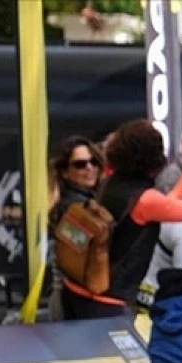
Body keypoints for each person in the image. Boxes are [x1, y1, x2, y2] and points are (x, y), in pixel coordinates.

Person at [61, 118, 182, 319]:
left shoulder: (111, 183)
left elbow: (167, 203)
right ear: (154, 158)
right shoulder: (144, 199)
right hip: (106, 301)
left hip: (77, 289)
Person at [47, 136, 105, 320]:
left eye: (93, 162)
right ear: (65, 172)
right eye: (80, 164)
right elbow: (77, 260)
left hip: (79, 297)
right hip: (71, 298)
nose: (89, 168)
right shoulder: (71, 208)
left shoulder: (90, 201)